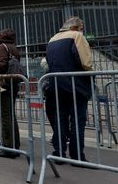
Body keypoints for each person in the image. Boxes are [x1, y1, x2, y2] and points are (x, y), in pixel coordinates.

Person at [46, 16, 92, 165]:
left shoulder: (52, 39)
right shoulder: (76, 36)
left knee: (60, 119)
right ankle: (77, 155)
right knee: (78, 120)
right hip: (76, 84)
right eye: (81, 28)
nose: (82, 31)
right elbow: (85, 62)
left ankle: (59, 153)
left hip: (56, 85)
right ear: (75, 27)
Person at [0, 29, 21, 158]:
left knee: (5, 116)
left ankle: (8, 147)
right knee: (10, 115)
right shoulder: (13, 47)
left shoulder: (2, 47)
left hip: (3, 84)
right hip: (12, 83)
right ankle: (15, 145)